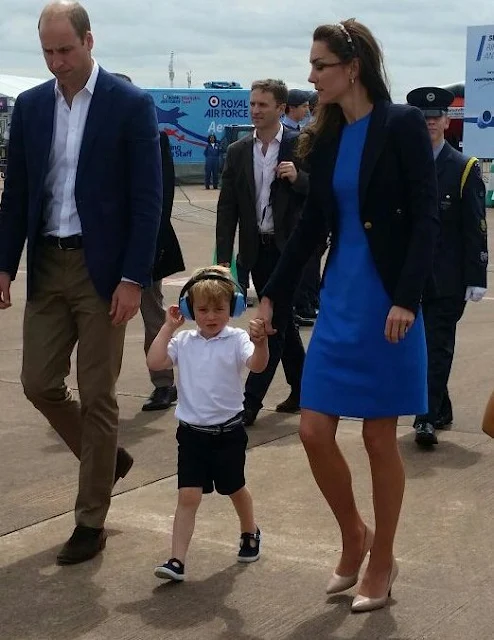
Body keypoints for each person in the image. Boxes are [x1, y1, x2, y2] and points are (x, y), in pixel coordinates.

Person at [255, 20, 438, 612]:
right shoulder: (327, 134)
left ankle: (382, 557)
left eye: (320, 65)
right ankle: (353, 534)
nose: (311, 77)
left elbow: (426, 221)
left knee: (380, 438)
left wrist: (407, 298)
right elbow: (311, 227)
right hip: (339, 301)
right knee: (312, 431)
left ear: (351, 68)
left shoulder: (402, 124)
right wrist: (272, 296)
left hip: (388, 303)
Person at [0, 1, 162, 564]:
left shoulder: (130, 105)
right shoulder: (30, 106)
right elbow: (17, 190)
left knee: (98, 394)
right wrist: (4, 263)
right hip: (48, 264)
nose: (56, 62)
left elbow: (148, 200)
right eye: (47, 51)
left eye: (65, 50)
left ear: (90, 41)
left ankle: (90, 517)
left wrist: (132, 278)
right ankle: (107, 457)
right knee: (37, 383)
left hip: (103, 273)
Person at [147, 266, 268, 581]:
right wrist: (166, 329)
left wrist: (262, 343)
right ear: (189, 310)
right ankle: (176, 560)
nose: (211, 316)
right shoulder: (184, 341)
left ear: (235, 308)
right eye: (202, 309)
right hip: (191, 435)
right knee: (188, 496)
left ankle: (250, 530)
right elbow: (155, 362)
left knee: (234, 488)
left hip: (228, 433)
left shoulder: (237, 339)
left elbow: (257, 365)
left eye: (219, 309)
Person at [216, 79, 308, 427]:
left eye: (263, 105)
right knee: (283, 323)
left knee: (272, 323)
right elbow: (227, 208)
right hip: (256, 251)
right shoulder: (238, 151)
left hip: (291, 250)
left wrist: (299, 178)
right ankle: (303, 389)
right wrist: (223, 257)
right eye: (252, 104)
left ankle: (250, 401)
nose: (255, 111)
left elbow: (322, 192)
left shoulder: (301, 146)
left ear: (281, 108)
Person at [406, 86, 488, 446]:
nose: (430, 125)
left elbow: (474, 227)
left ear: (445, 120)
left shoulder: (463, 168)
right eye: (423, 119)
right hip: (410, 276)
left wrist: (476, 275)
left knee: (437, 346)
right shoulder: (404, 165)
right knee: (419, 348)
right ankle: (440, 404)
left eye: (435, 118)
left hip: (447, 277)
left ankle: (425, 417)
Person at [141, 129, 186, 411]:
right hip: (103, 246)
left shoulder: (154, 138)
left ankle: (163, 384)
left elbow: (163, 193)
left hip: (144, 244)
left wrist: (153, 245)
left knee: (152, 314)